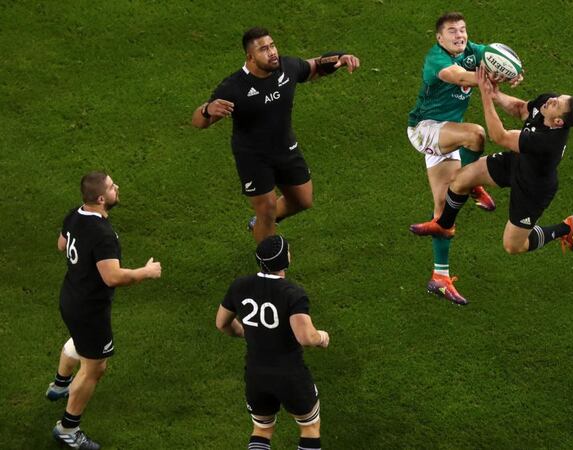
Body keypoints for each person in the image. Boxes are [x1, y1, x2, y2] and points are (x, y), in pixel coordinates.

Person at [192, 27, 360, 242]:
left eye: (272, 46)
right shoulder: (234, 87)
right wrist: (207, 110)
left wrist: (340, 57)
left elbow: (315, 66)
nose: (272, 52)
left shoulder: (286, 67)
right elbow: (198, 122)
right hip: (253, 156)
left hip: (285, 147)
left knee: (303, 200)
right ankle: (269, 266)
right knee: (267, 209)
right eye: (264, 49)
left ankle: (262, 222)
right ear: (250, 57)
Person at [410, 66, 573, 257]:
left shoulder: (548, 142)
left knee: (513, 246)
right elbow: (521, 109)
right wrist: (496, 94)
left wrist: (486, 98)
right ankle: (444, 225)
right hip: (516, 162)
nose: (552, 99)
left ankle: (565, 228)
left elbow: (499, 136)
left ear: (558, 122)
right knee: (460, 179)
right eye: (557, 98)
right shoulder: (546, 103)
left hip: (533, 188)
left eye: (556, 105)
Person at [406, 12, 521, 305]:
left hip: (447, 134)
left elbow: (497, 55)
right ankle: (470, 184)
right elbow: (458, 77)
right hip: (425, 130)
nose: (460, 35)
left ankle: (439, 277)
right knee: (476, 135)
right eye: (453, 31)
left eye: (463, 30)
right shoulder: (436, 60)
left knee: (444, 208)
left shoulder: (472, 51)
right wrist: (490, 80)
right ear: (439, 38)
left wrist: (512, 72)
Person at [48, 171, 162, 449]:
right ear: (101, 198)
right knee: (95, 368)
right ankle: (67, 428)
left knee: (81, 340)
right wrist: (145, 272)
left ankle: (60, 385)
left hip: (70, 297)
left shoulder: (75, 214)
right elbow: (112, 277)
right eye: (112, 187)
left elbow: (62, 245)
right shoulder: (103, 234)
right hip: (89, 309)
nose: (117, 188)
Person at [216, 235, 329, 450]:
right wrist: (322, 337)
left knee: (262, 429)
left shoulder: (240, 285)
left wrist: (245, 332)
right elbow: (305, 337)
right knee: (309, 427)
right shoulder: (292, 294)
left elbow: (222, 323)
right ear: (285, 260)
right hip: (290, 375)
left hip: (256, 374)